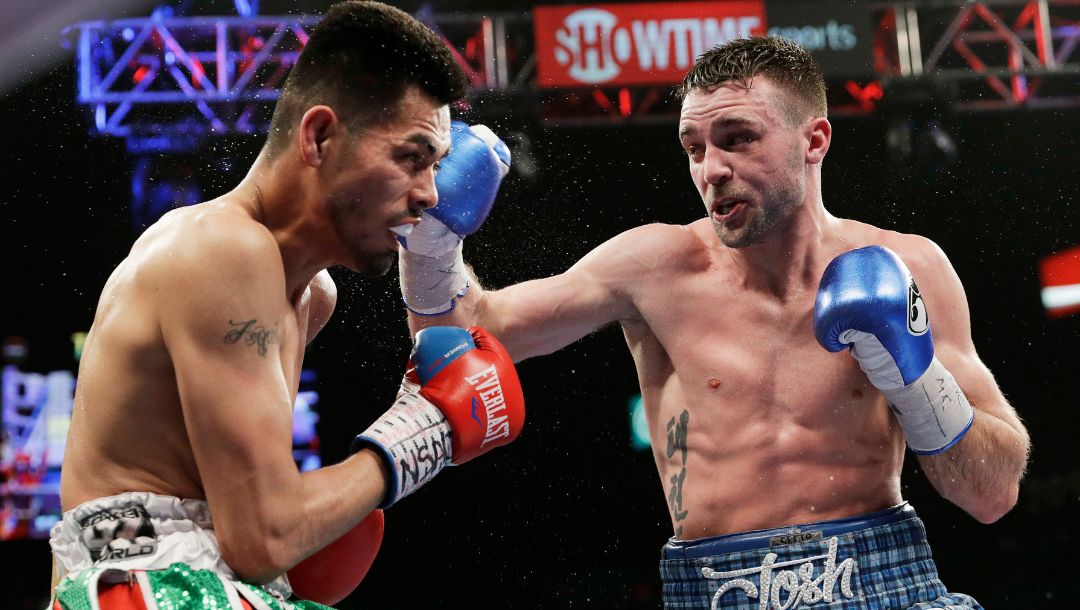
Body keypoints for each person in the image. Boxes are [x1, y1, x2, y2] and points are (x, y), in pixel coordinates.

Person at [398, 36, 1031, 609]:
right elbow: (463, 338)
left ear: (815, 140)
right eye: (694, 148)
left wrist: (916, 379)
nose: (711, 169)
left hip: (883, 581)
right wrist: (429, 246)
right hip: (715, 588)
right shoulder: (655, 266)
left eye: (737, 138)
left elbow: (991, 494)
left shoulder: (910, 265)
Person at [50, 3, 525, 610]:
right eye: (411, 158)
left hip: (162, 582)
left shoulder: (310, 296)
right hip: (144, 586)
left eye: (434, 165)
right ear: (319, 136)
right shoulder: (222, 248)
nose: (429, 193)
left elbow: (251, 532)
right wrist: (423, 431)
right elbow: (265, 535)